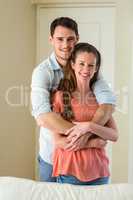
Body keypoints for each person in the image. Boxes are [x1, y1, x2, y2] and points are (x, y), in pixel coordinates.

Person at [31, 17, 116, 182]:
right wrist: (87, 138)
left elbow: (107, 104)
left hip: (90, 164)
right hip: (52, 154)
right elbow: (43, 116)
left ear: (77, 38)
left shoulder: (87, 69)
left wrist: (87, 131)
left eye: (70, 39)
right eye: (60, 39)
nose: (65, 45)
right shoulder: (42, 72)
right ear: (51, 40)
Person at [52, 42, 118, 185]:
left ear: (96, 69)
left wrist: (89, 126)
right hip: (70, 172)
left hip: (100, 173)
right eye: (81, 64)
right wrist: (94, 142)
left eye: (91, 65)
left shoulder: (101, 99)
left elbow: (114, 135)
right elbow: (59, 141)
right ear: (73, 64)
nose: (86, 69)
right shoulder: (60, 97)